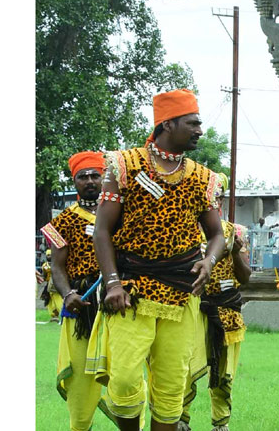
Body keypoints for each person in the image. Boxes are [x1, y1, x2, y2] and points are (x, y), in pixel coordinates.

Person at [89, 89, 226, 431]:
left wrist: (208, 263)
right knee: (123, 380)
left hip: (181, 292)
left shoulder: (203, 177)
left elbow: (217, 234)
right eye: (192, 123)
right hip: (131, 290)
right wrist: (112, 282)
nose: (199, 130)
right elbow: (102, 231)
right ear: (167, 123)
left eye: (199, 123)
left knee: (171, 386)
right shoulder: (124, 165)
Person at [178, 174, 252, 431]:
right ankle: (179, 419)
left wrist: (234, 252)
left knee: (223, 373)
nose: (215, 199)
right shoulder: (182, 228)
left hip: (225, 311)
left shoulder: (236, 231)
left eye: (219, 195)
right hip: (191, 309)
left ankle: (221, 424)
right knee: (185, 368)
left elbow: (245, 278)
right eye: (211, 195)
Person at [43, 151, 108, 431]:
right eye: (83, 176)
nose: (90, 180)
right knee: (81, 379)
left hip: (115, 301)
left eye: (96, 174)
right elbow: (57, 267)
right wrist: (68, 294)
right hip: (80, 304)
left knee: (126, 378)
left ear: (105, 177)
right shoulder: (63, 222)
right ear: (75, 181)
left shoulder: (121, 214)